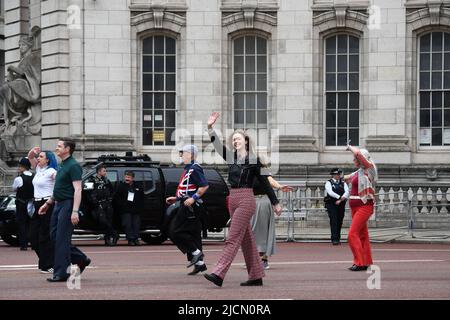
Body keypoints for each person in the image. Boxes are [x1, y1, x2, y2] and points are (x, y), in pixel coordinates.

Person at [203, 111, 282, 287]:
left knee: (233, 237)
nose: (235, 141)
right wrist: (210, 127)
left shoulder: (254, 160)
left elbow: (265, 182)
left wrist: (275, 202)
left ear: (245, 141)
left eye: (238, 139)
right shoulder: (231, 158)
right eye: (233, 140)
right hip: (233, 198)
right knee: (246, 241)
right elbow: (217, 145)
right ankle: (256, 276)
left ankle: (219, 273)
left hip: (246, 198)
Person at [39, 137, 91, 282]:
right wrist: (48, 203)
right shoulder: (63, 164)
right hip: (58, 204)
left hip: (68, 205)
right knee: (55, 237)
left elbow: (78, 189)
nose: (57, 148)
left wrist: (75, 211)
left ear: (67, 149)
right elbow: (59, 188)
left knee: (61, 239)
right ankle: (81, 259)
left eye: (59, 146)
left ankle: (61, 273)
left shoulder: (73, 165)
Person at [166, 144, 209, 275]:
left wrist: (193, 198)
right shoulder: (189, 169)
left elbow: (204, 186)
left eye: (183, 153)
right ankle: (200, 264)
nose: (181, 156)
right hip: (186, 204)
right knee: (194, 234)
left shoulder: (195, 169)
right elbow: (187, 189)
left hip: (190, 207)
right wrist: (177, 198)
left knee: (175, 231)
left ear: (190, 154)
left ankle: (196, 253)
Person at [344, 144, 378, 271]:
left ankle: (359, 262)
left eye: (355, 159)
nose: (354, 160)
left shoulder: (370, 169)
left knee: (352, 234)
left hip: (364, 206)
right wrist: (337, 177)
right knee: (362, 235)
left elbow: (359, 154)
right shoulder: (358, 172)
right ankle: (366, 261)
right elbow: (348, 177)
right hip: (355, 206)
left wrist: (350, 147)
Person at [251, 175, 293, 270]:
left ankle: (263, 259)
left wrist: (279, 186)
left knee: (263, 230)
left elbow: (269, 180)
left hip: (262, 200)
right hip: (249, 200)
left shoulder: (260, 168)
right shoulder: (244, 169)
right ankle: (253, 258)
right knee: (250, 231)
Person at [27, 146, 58, 273]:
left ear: (48, 160)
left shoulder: (52, 172)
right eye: (38, 156)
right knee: (33, 237)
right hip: (37, 204)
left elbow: (58, 187)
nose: (38, 158)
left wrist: (52, 201)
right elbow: (30, 157)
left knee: (44, 236)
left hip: (47, 204)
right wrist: (33, 152)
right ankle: (47, 261)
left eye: (41, 157)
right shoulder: (39, 168)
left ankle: (47, 264)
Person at [86, 165, 118, 246]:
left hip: (107, 203)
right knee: (102, 221)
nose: (105, 173)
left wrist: (110, 198)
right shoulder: (91, 180)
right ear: (99, 172)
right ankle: (114, 234)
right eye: (104, 171)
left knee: (109, 221)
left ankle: (108, 240)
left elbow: (112, 190)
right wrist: (95, 202)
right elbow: (87, 193)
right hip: (98, 204)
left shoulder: (106, 180)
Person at [114, 171, 144, 246]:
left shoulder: (138, 186)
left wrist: (140, 207)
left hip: (136, 210)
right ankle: (130, 239)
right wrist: (122, 206)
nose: (127, 179)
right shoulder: (121, 186)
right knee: (127, 224)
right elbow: (117, 198)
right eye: (126, 177)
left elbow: (142, 197)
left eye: (129, 177)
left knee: (136, 224)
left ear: (132, 178)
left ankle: (136, 239)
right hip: (125, 210)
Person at [12, 157, 34, 251]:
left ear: (23, 167)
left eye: (20, 166)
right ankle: (34, 243)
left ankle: (23, 244)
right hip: (32, 203)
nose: (19, 168)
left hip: (21, 203)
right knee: (32, 224)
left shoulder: (19, 178)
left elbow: (14, 189)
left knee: (22, 224)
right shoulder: (34, 176)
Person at [324, 168, 349, 245]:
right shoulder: (328, 183)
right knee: (334, 221)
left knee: (340, 221)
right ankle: (334, 239)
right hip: (332, 204)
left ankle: (338, 238)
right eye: (336, 174)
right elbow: (330, 192)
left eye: (339, 174)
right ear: (333, 175)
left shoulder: (343, 183)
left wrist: (341, 200)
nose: (338, 176)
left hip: (341, 204)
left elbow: (347, 192)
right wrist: (339, 197)